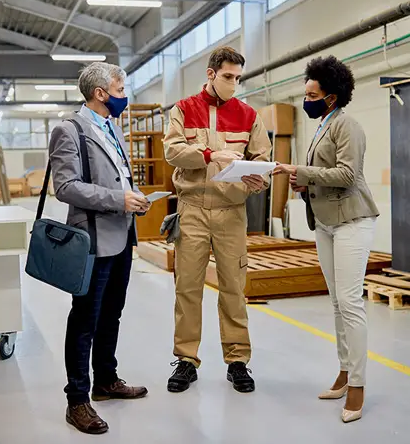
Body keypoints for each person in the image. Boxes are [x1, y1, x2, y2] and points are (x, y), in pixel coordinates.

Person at [273, 56, 379, 424]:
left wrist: (298, 170)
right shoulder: (323, 125)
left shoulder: (348, 125)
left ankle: (359, 385)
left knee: (351, 304)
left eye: (312, 94)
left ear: (331, 97)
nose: (307, 99)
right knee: (336, 303)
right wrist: (306, 184)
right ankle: (345, 370)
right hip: (325, 222)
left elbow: (348, 174)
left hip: (352, 219)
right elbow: (324, 174)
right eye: (306, 93)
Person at [49, 62, 151, 435]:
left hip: (122, 235)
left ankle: (105, 380)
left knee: (112, 313)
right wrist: (118, 199)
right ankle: (77, 399)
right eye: (121, 88)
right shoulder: (69, 129)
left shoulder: (112, 129)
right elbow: (66, 187)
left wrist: (136, 199)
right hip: (92, 238)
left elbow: (118, 177)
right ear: (100, 93)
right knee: (85, 319)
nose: (125, 94)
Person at [163, 46, 272, 394]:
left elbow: (263, 160)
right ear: (210, 74)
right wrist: (210, 154)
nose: (234, 84)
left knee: (233, 288)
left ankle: (237, 360)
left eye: (238, 78)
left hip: (231, 213)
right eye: (228, 77)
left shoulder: (249, 115)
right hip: (192, 208)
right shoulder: (183, 110)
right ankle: (185, 359)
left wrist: (260, 180)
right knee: (188, 288)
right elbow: (172, 151)